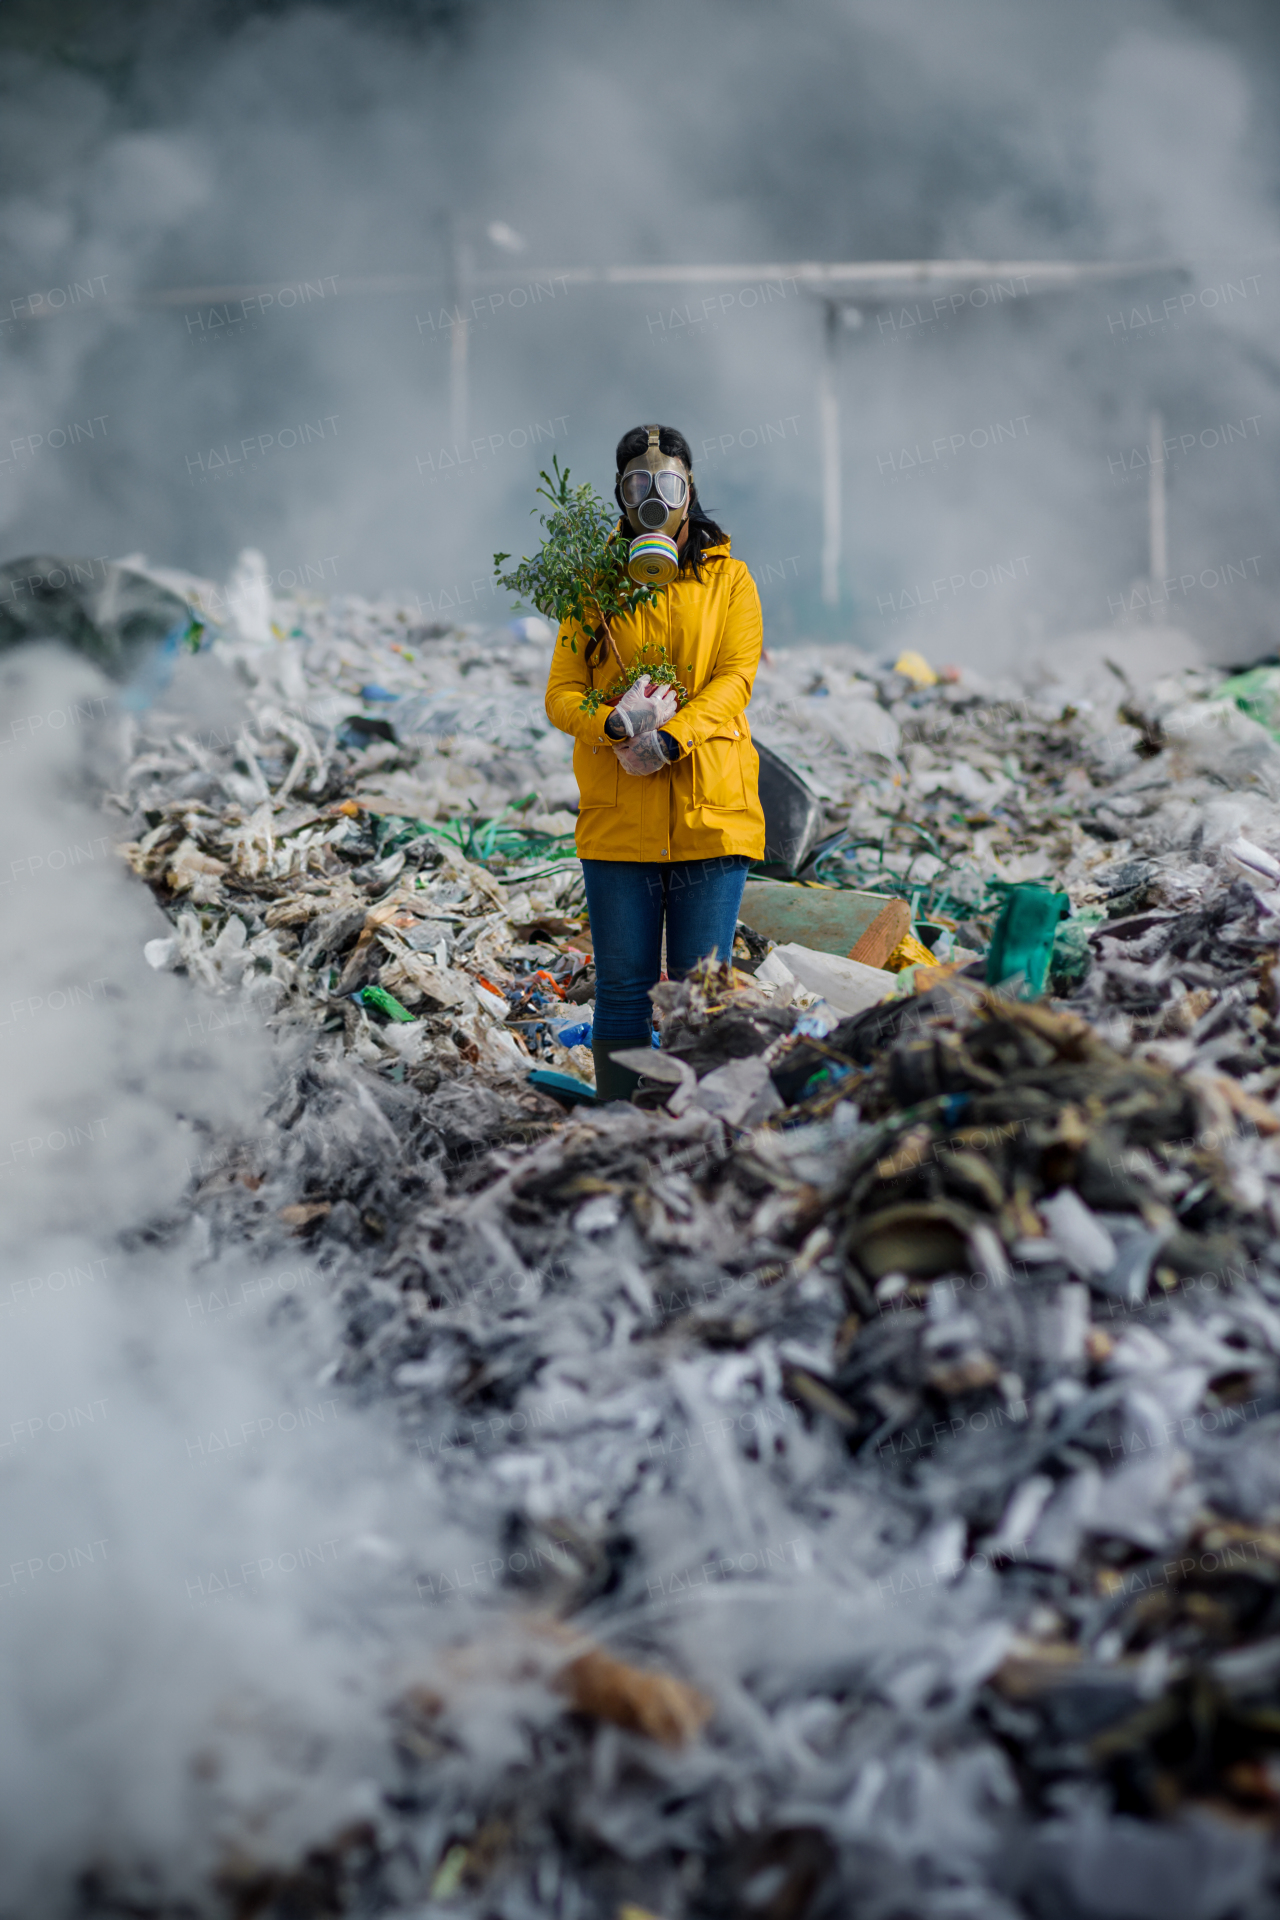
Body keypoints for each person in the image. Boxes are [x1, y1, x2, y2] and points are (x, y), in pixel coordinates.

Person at [544, 424, 766, 1102]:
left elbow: (735, 679)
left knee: (700, 994)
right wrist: (611, 723)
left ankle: (692, 1133)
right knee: (622, 988)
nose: (653, 500)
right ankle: (619, 1123)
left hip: (711, 815)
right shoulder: (593, 582)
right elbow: (560, 693)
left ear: (689, 490)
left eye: (666, 485)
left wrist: (674, 736)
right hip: (620, 819)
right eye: (638, 485)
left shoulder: (728, 578)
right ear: (619, 496)